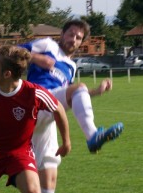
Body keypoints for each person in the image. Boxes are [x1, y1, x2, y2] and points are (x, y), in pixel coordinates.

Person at [19, 20, 124, 192]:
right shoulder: (47, 45)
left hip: (48, 116)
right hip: (33, 102)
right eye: (70, 34)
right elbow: (10, 52)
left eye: (78, 37)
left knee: (49, 173)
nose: (73, 39)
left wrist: (96, 91)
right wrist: (38, 58)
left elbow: (71, 94)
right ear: (62, 34)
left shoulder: (71, 66)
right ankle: (92, 136)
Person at [0, 45, 71, 193]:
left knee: (33, 190)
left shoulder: (33, 93)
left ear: (7, 74)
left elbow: (58, 108)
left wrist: (66, 142)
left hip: (19, 153)